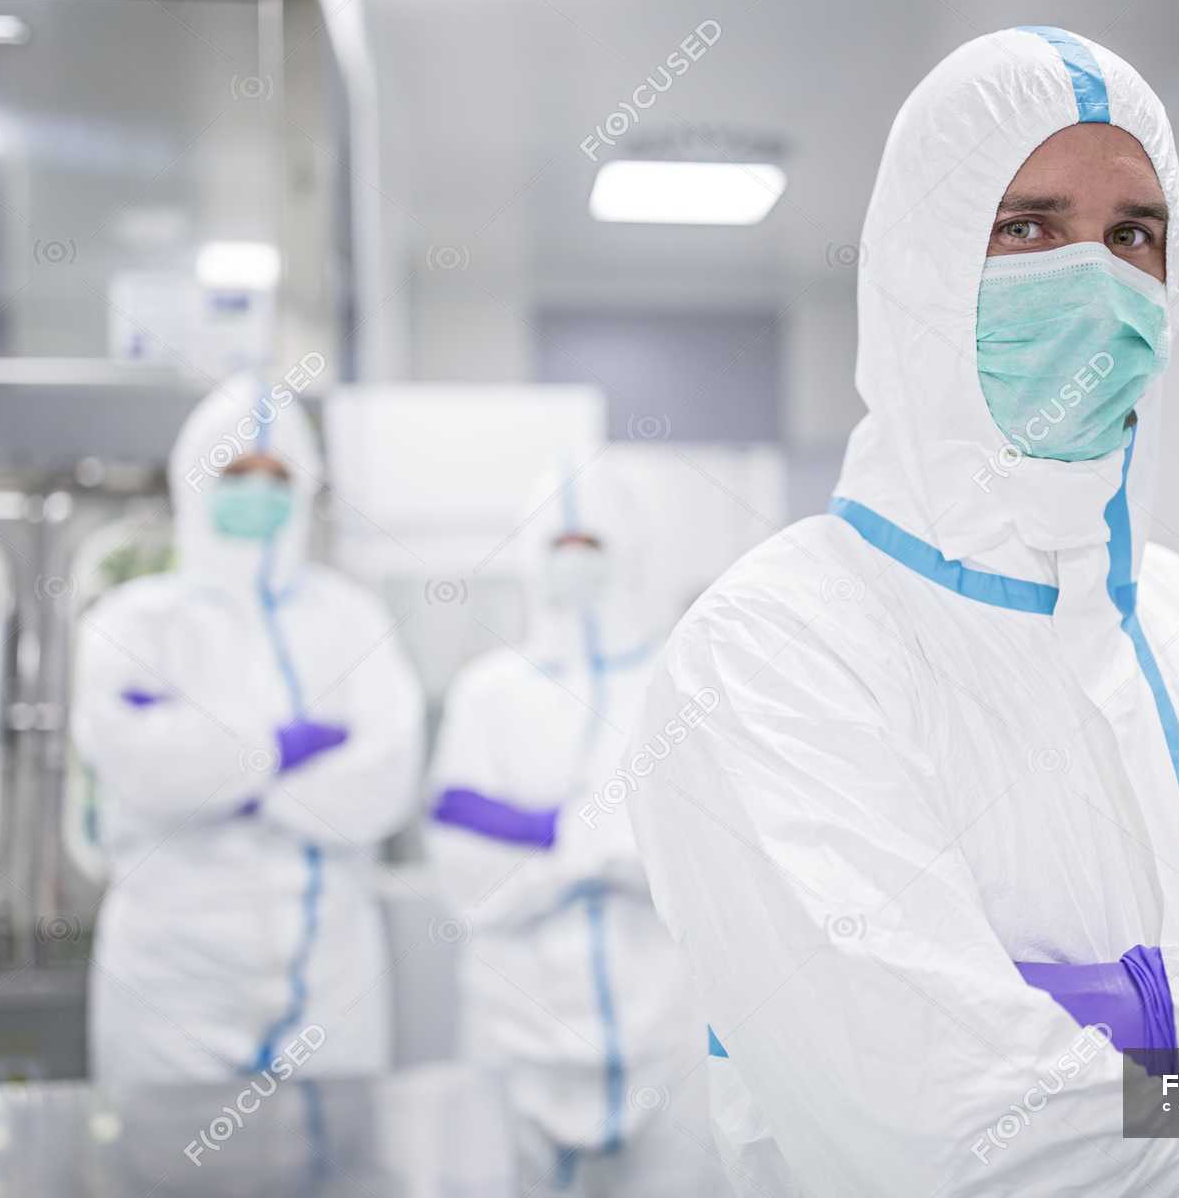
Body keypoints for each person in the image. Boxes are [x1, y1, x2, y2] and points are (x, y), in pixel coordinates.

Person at [622, 27, 1179, 1196]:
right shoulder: (771, 652)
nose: (1095, 279)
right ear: (920, 263)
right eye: (1028, 228)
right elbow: (954, 1147)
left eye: (1133, 235)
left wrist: (1140, 1008)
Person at [72, 374, 423, 1084]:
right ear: (194, 480)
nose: (256, 492)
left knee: (332, 1173)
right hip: (171, 966)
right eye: (234, 473)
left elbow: (385, 776)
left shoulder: (349, 618)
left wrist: (226, 774)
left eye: (276, 476)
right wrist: (287, 748)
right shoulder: (136, 621)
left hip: (328, 962)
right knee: (170, 1170)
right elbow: (138, 764)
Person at [425, 458, 724, 1196]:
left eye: (592, 543)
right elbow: (463, 866)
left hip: (667, 1026)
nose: (573, 563)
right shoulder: (489, 694)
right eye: (557, 546)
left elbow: (705, 851)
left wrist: (543, 832)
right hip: (515, 1023)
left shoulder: (682, 682)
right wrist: (612, 838)